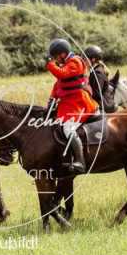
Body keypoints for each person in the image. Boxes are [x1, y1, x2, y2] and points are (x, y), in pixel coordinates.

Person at [46, 38, 99, 173]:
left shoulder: (75, 62)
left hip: (79, 103)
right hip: (68, 103)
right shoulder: (66, 63)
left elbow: (61, 74)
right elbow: (59, 83)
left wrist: (50, 64)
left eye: (55, 57)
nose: (55, 60)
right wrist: (52, 98)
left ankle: (80, 161)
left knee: (68, 128)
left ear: (62, 54)